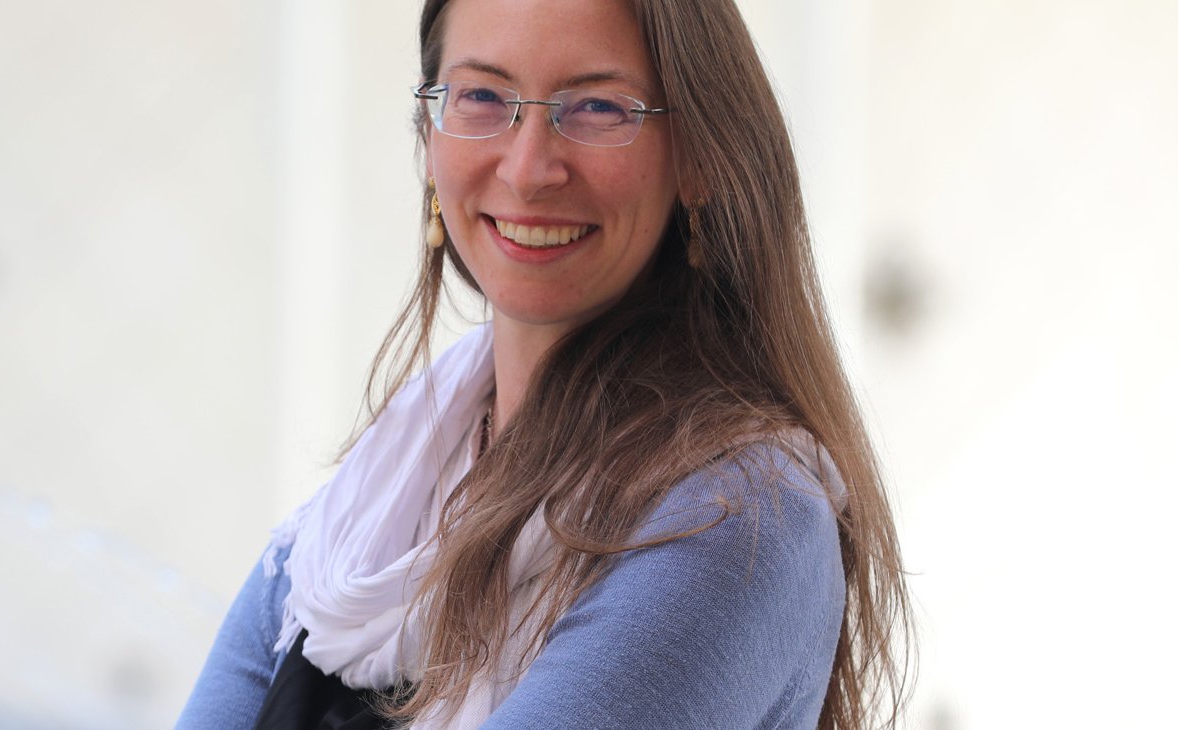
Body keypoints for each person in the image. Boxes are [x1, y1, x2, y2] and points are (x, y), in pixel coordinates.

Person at [177, 0, 910, 727]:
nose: (529, 170)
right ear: (430, 137)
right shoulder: (383, 496)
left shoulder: (738, 514)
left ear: (698, 158)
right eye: (482, 97)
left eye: (596, 107)